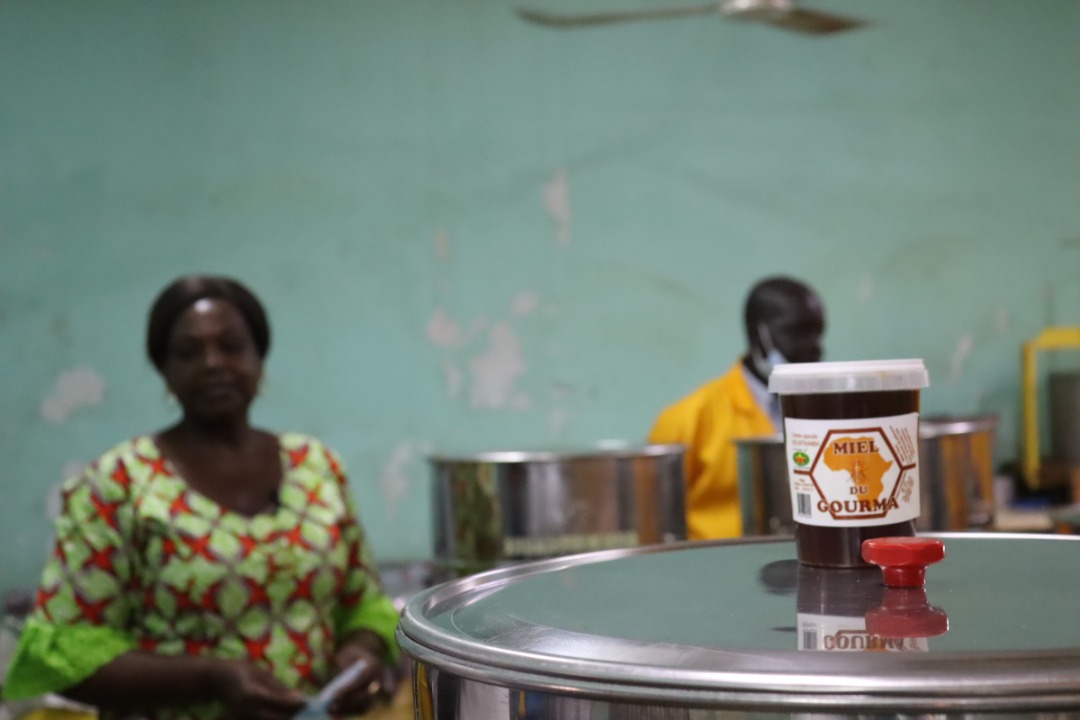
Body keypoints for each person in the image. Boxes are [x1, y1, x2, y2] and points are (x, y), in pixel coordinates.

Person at [3, 276, 401, 720]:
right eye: (188, 352)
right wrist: (211, 678)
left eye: (231, 345)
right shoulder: (117, 483)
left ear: (259, 358)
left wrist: (361, 655)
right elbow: (65, 655)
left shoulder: (317, 467)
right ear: (164, 370)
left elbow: (365, 603)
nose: (213, 363)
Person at [648, 276, 826, 540]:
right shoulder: (691, 418)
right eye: (797, 332)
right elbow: (655, 526)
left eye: (817, 333)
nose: (813, 347)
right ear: (758, 335)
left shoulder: (829, 411)